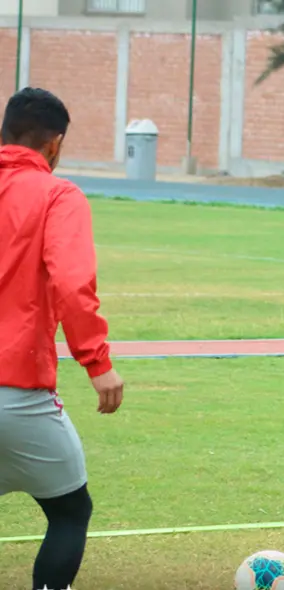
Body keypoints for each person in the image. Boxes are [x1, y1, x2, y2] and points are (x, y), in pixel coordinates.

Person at [0, 87, 124, 590]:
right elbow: (72, 283)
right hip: (17, 387)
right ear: (55, 145)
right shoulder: (57, 194)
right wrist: (98, 363)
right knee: (71, 511)